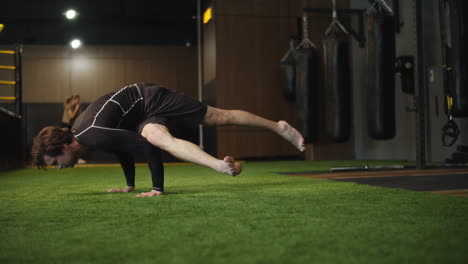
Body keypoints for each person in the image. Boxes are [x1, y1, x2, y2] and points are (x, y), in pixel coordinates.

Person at [32, 83, 305, 197]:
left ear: (65, 146)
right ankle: (222, 166)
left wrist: (157, 188)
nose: (58, 166)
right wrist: (129, 185)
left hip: (151, 98)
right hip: (141, 114)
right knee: (151, 133)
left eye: (55, 161)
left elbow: (140, 146)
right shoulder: (88, 137)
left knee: (218, 118)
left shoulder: (90, 134)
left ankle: (278, 127)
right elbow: (121, 150)